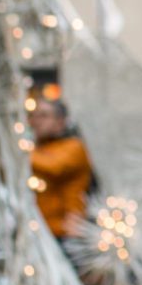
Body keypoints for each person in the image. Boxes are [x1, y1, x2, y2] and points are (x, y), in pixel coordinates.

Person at [28, 94, 93, 245]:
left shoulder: (74, 147)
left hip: (66, 235)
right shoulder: (38, 149)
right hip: (40, 233)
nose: (36, 121)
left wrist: (20, 150)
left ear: (60, 121)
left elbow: (54, 167)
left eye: (44, 116)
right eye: (33, 116)